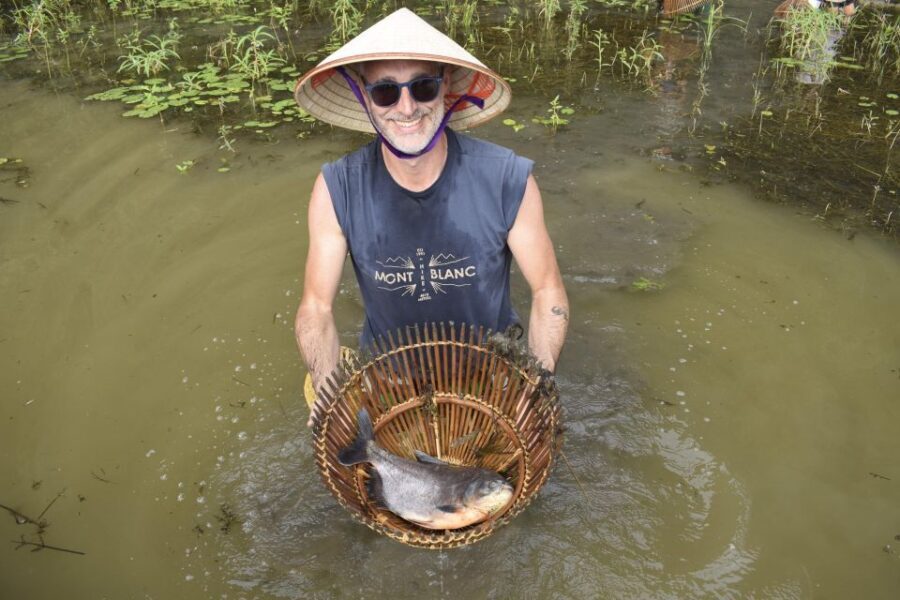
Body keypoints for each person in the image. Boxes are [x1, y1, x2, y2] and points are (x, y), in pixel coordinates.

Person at [292, 8, 568, 425]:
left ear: (446, 89)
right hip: (391, 384)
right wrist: (329, 390)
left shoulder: (506, 179)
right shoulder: (336, 189)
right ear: (365, 97)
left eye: (423, 87)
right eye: (386, 92)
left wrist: (539, 382)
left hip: (489, 376)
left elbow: (548, 291)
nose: (406, 108)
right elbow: (316, 307)